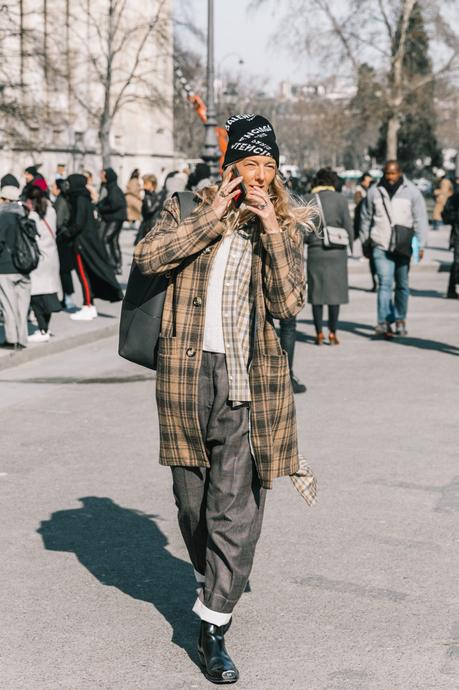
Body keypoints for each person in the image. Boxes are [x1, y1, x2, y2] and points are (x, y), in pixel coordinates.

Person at [134, 113, 316, 684]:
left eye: (269, 167)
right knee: (193, 505)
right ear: (229, 165)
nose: (260, 176)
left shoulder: (281, 225)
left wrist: (271, 232)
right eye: (251, 164)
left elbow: (289, 304)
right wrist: (214, 218)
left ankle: (214, 623)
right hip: (184, 381)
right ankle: (212, 575)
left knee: (233, 509)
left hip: (246, 383)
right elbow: (148, 258)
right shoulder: (188, 207)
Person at [360, 160, 428, 337]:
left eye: (393, 173)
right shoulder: (374, 191)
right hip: (380, 244)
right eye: (387, 173)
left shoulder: (412, 192)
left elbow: (420, 218)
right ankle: (383, 321)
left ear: (400, 173)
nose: (390, 177)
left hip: (403, 245)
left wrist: (421, 244)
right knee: (384, 283)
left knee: (402, 285)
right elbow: (366, 217)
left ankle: (399, 319)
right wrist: (365, 240)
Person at [64, 174, 123, 320]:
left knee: (83, 274)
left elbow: (78, 223)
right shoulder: (84, 198)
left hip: (81, 243)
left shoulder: (79, 199)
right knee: (87, 273)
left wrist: (65, 234)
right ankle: (89, 305)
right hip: (87, 242)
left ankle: (88, 306)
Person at [305, 167, 353, 345]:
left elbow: (303, 228)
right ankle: (333, 332)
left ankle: (318, 333)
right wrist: (351, 246)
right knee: (335, 294)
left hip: (315, 251)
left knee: (317, 293)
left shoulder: (308, 199)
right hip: (337, 251)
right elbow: (348, 225)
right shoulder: (340, 199)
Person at [25, 185, 61, 343]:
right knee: (49, 292)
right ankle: (47, 327)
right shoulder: (51, 210)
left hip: (39, 259)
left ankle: (42, 329)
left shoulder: (32, 216)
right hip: (52, 257)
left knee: (36, 296)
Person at [0, 174, 32, 349]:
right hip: (25, 266)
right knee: (22, 306)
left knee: (9, 305)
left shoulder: (3, 216)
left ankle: (11, 339)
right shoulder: (24, 214)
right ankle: (22, 339)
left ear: (4, 198)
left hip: (6, 267)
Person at [51, 179, 75, 311]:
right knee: (64, 270)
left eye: (53, 186)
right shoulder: (62, 200)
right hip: (64, 238)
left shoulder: (60, 201)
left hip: (62, 238)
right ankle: (67, 297)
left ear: (59, 189)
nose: (51, 188)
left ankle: (68, 298)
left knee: (64, 270)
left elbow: (58, 221)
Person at [97, 167, 127, 274]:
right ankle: (116, 264)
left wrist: (101, 208)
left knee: (106, 239)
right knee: (113, 240)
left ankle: (113, 264)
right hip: (115, 217)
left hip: (116, 218)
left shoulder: (113, 188)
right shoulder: (110, 187)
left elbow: (115, 204)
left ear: (107, 176)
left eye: (103, 175)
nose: (101, 177)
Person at [354, 172, 377, 291]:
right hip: (363, 222)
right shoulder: (360, 190)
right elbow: (357, 202)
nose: (368, 182)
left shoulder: (374, 194)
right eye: (367, 180)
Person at [441, 187, 459, 299]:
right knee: (457, 263)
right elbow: (446, 216)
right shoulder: (455, 198)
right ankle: (451, 290)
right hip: (458, 235)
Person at [134, 174, 161, 246]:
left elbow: (150, 210)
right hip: (146, 224)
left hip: (152, 225)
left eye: (146, 183)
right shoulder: (147, 195)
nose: (144, 185)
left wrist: (145, 198)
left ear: (152, 184)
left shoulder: (153, 196)